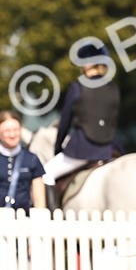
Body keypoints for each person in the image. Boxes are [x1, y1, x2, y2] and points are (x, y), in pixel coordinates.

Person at [44, 40, 119, 206]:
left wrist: (58, 148)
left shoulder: (78, 87)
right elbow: (113, 123)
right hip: (107, 150)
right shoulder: (113, 88)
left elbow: (65, 123)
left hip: (81, 149)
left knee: (46, 173)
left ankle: (51, 220)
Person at [0, 110, 46, 212]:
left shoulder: (32, 159)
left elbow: (39, 200)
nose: (12, 135)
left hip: (23, 219)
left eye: (16, 130)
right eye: (7, 131)